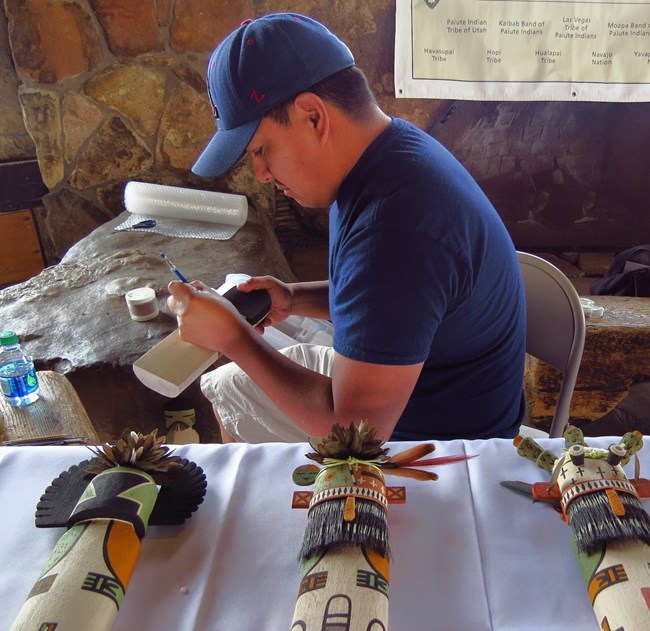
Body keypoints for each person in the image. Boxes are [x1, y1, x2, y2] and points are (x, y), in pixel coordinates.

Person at [167, 12, 526, 443]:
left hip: (441, 445)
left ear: (313, 117)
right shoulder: (390, 151)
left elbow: (357, 431)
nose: (260, 173)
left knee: (238, 380)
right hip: (412, 383)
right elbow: (390, 303)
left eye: (261, 149)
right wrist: (293, 297)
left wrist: (233, 337)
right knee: (230, 387)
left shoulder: (394, 228)